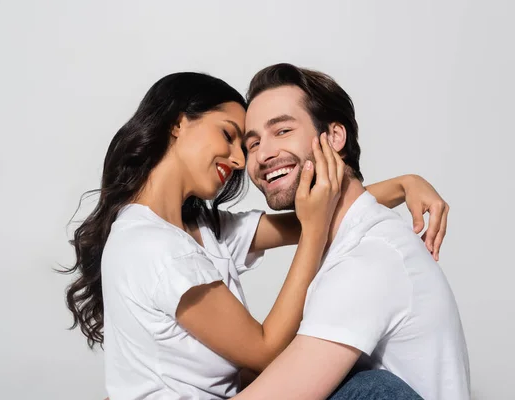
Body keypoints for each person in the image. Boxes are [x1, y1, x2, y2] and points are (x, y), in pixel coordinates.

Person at [64, 72, 448, 399]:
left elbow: (318, 208)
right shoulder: (153, 247)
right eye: (230, 136)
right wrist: (315, 232)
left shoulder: (199, 230)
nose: (238, 160)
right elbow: (264, 351)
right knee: (374, 389)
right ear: (179, 123)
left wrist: (404, 184)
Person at [232, 63, 470, 400]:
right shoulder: (350, 241)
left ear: (334, 137)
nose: (264, 154)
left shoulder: (369, 258)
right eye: (253, 144)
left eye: (282, 131)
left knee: (369, 388)